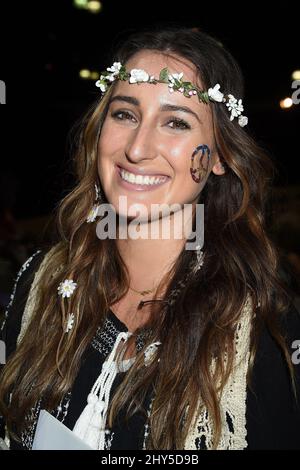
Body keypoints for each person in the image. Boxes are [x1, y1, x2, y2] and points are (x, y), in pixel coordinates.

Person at [0, 25, 300, 451]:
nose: (138, 149)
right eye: (124, 114)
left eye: (176, 122)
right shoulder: (39, 282)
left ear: (220, 155)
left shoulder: (265, 329)